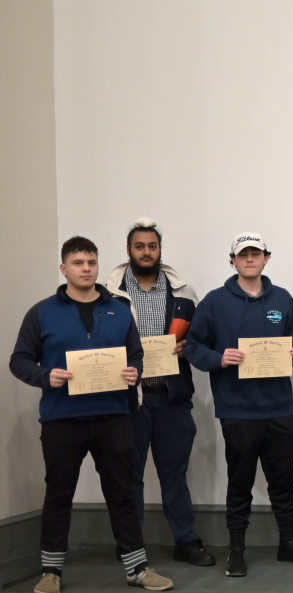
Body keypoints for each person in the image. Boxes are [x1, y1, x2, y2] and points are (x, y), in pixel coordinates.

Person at [10, 236, 174, 593]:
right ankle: (51, 572)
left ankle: (137, 568)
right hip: (61, 419)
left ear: (98, 266)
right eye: (78, 262)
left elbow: (136, 355)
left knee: (122, 493)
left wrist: (133, 371)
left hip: (113, 417)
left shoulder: (118, 309)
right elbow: (19, 360)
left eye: (91, 262)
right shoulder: (42, 312)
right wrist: (45, 376)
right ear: (64, 268)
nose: (86, 268)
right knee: (59, 494)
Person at [185, 232, 293, 576]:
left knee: (282, 481)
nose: (250, 259)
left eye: (256, 253)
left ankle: (288, 543)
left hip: (278, 407)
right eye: (243, 254)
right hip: (237, 410)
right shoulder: (215, 302)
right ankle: (236, 550)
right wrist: (219, 358)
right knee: (240, 481)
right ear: (232, 260)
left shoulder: (282, 300)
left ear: (266, 258)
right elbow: (192, 347)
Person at [101, 218, 214, 567]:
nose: (146, 252)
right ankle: (130, 544)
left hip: (171, 396)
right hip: (128, 400)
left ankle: (185, 540)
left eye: (152, 246)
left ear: (159, 250)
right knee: (129, 475)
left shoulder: (181, 291)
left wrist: (188, 347)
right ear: (129, 251)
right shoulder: (110, 293)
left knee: (174, 474)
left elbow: (200, 337)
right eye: (139, 246)